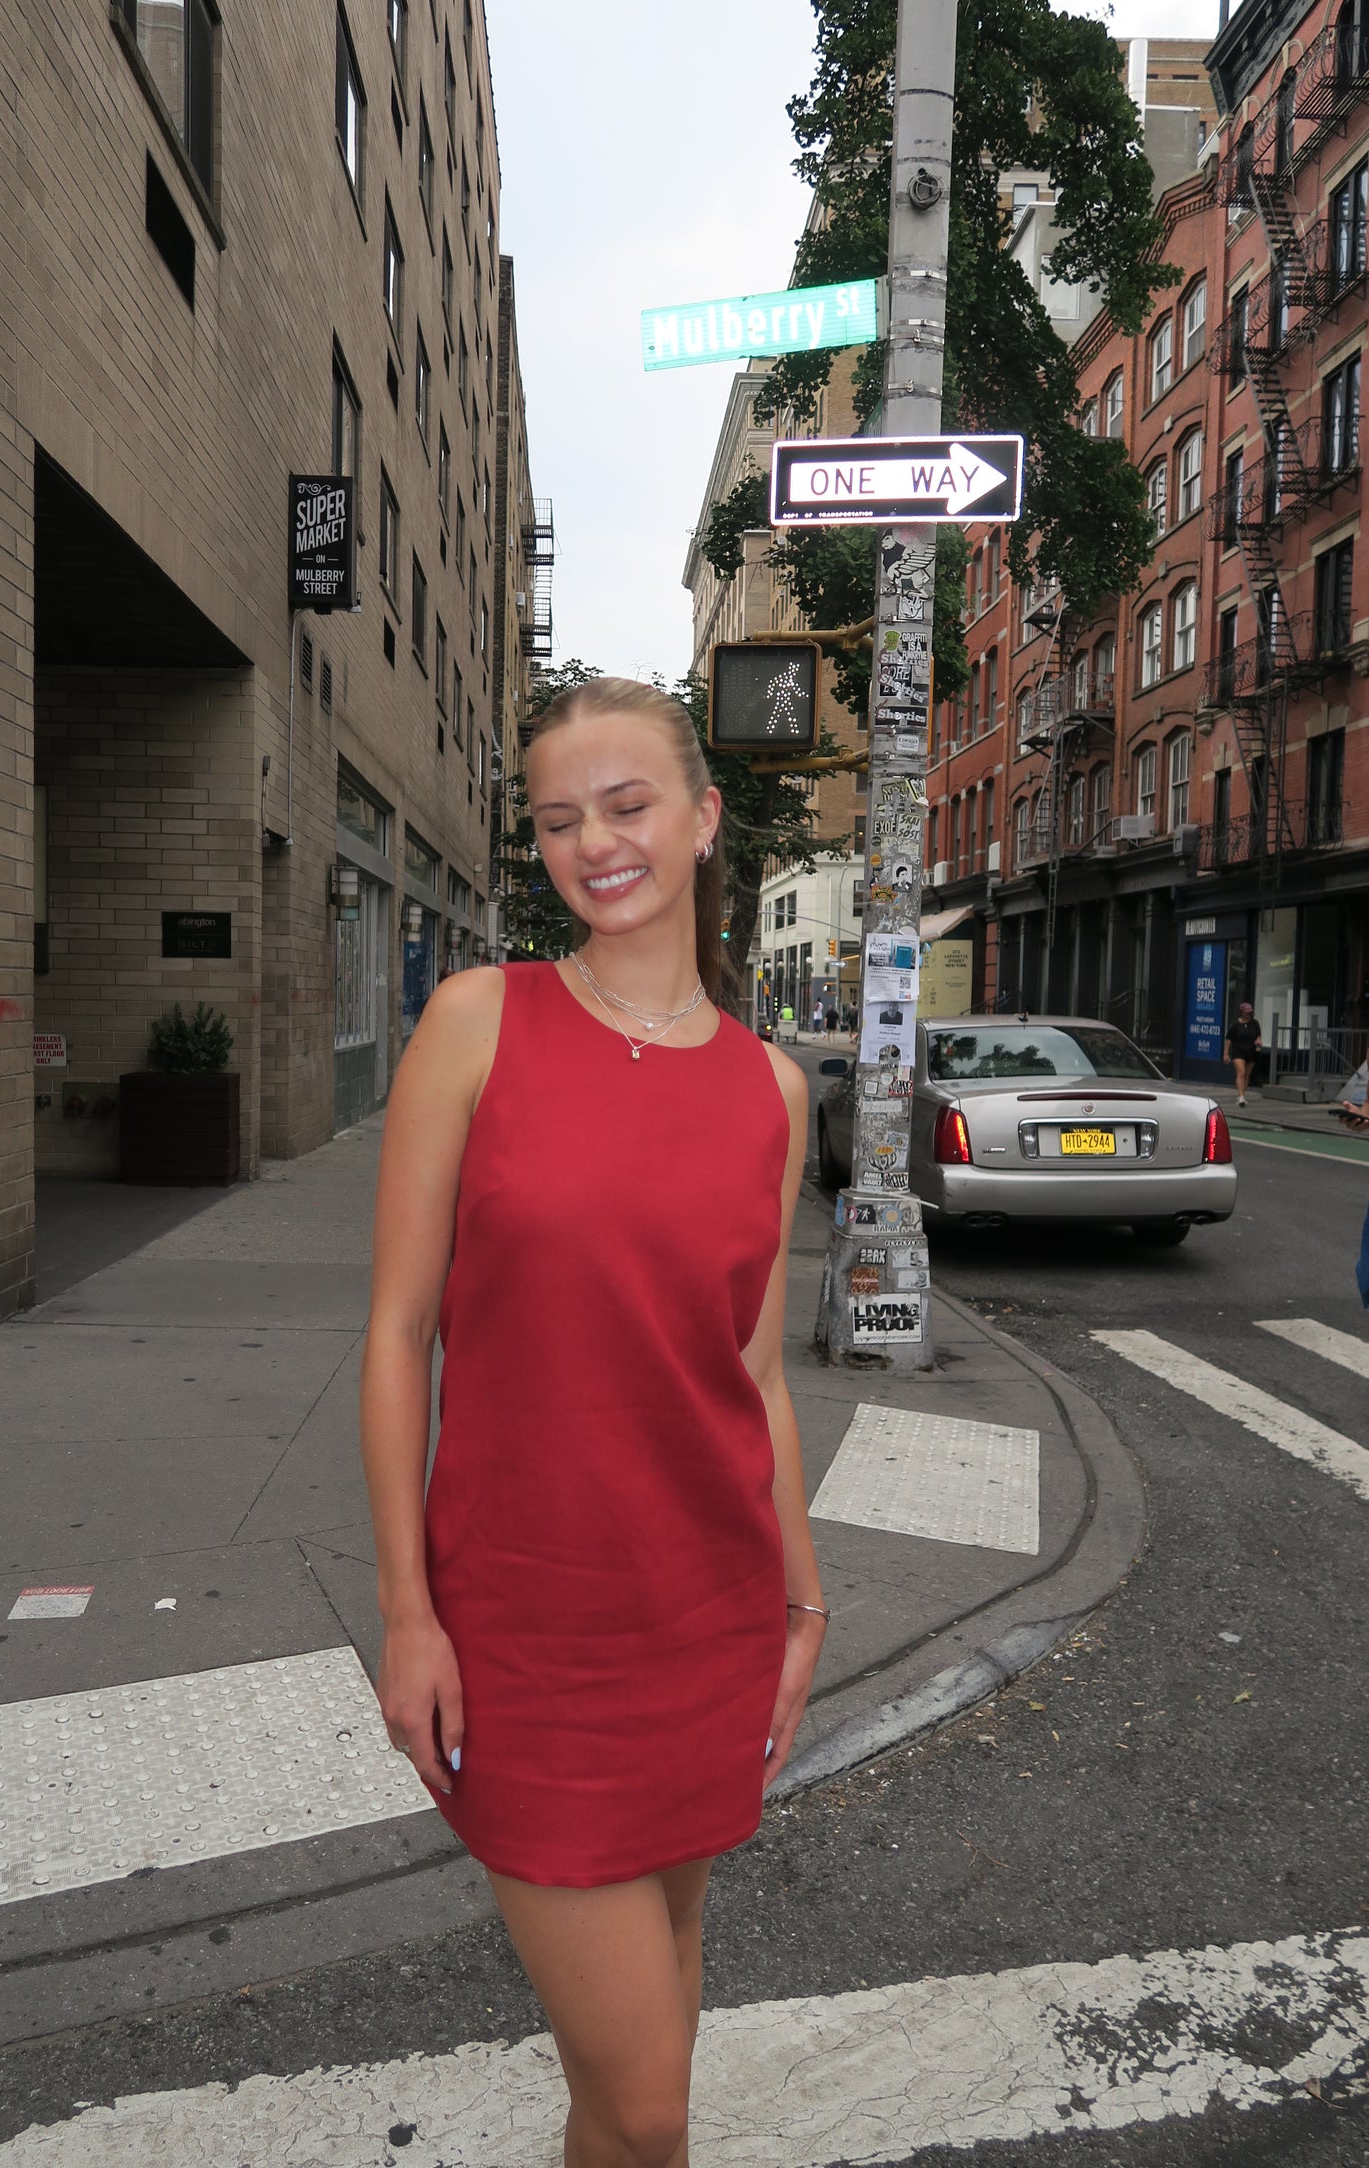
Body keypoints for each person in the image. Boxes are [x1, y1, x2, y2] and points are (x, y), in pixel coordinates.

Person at [359, 677, 827, 2168]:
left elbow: (750, 1373)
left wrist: (799, 1594)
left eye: (628, 807)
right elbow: (395, 1335)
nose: (595, 845)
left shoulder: (772, 1088)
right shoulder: (478, 1022)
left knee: (634, 2067)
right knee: (651, 2104)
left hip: (705, 1614)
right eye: (561, 821)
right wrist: (409, 1612)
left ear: (701, 819)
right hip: (529, 1634)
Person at [1224, 1001, 1262, 1108]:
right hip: (1238, 1051)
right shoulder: (1236, 1025)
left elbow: (1258, 1036)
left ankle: (1242, 1094)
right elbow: (1228, 1040)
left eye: (1250, 1013)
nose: (1249, 1015)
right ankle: (1241, 1097)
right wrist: (1226, 1054)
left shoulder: (1255, 1024)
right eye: (1247, 1013)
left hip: (1251, 1051)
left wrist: (1258, 1043)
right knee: (1241, 1072)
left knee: (1247, 1075)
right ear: (1242, 1013)